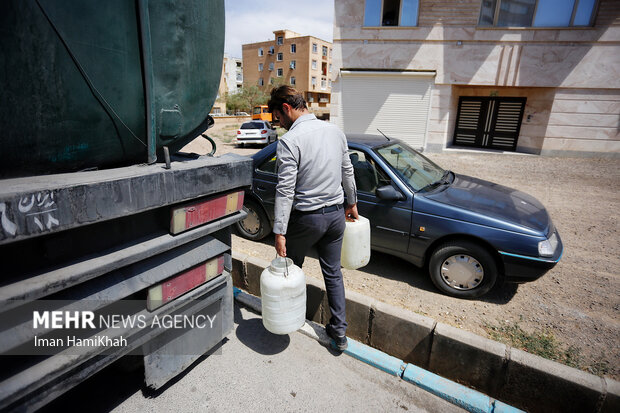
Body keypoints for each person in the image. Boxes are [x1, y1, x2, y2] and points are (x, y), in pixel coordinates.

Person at [268, 85, 358, 351]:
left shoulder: (289, 141)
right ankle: (339, 333)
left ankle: (289, 318)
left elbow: (285, 191)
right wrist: (352, 202)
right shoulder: (334, 131)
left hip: (307, 219)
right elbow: (347, 170)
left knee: (289, 268)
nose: (279, 124)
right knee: (333, 273)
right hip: (335, 216)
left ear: (286, 108)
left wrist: (280, 232)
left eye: (278, 117)